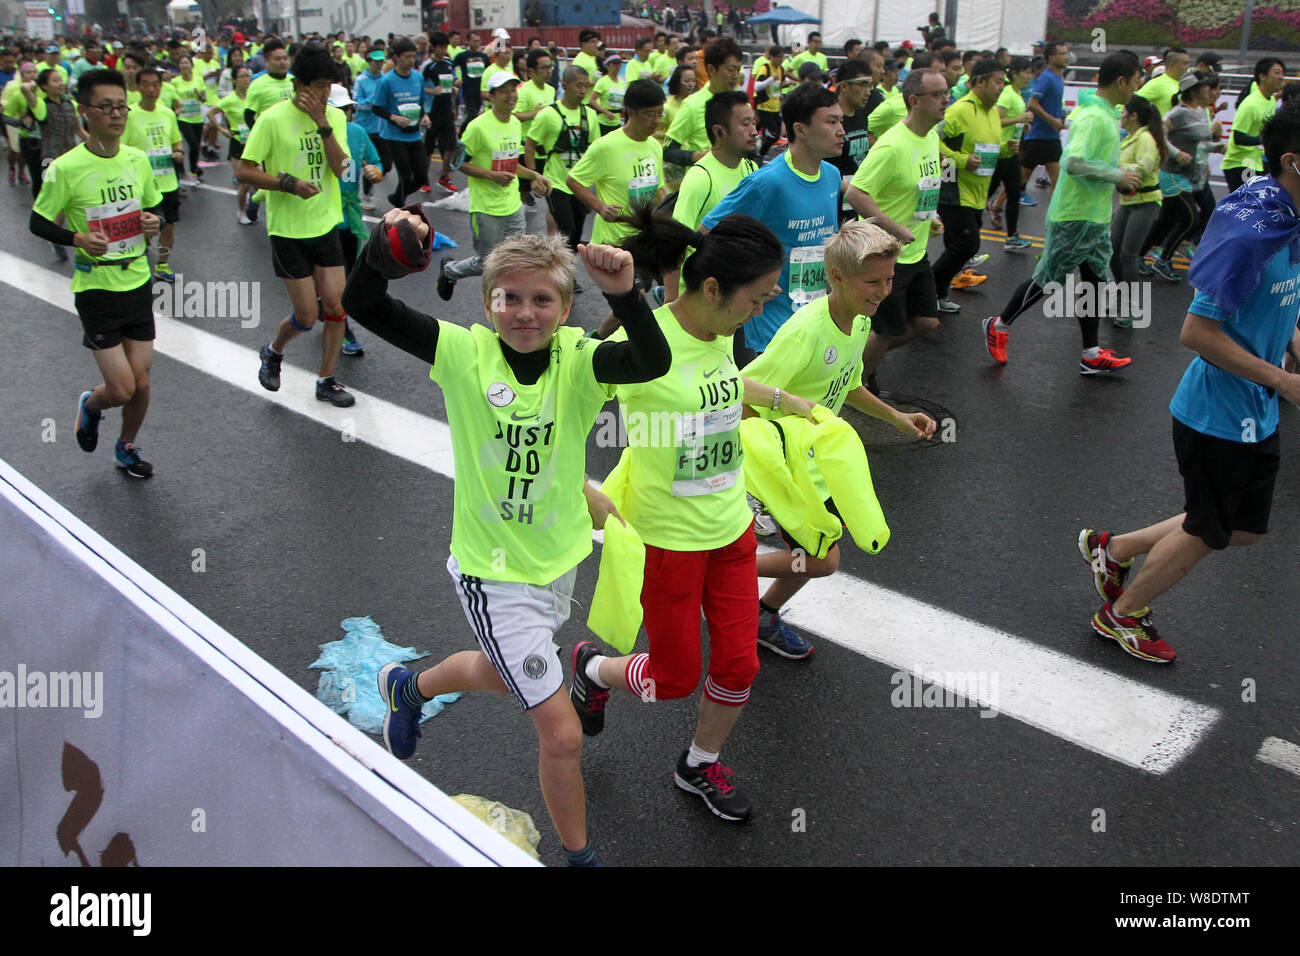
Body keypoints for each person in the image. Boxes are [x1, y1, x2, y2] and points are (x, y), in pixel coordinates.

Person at [346, 213, 670, 867]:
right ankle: (579, 858)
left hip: (558, 562)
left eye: (542, 298)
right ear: (487, 301)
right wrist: (376, 252)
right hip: (492, 576)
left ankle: (407, 689)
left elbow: (651, 358)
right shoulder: (464, 354)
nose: (525, 312)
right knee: (561, 732)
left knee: (505, 672)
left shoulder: (580, 361)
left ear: (566, 304)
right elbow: (362, 303)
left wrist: (627, 294)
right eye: (509, 298)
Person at [569, 209, 799, 823]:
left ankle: (698, 763)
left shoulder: (723, 329)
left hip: (731, 532)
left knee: (740, 663)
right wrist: (580, 486)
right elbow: (555, 414)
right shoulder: (640, 347)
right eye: (758, 298)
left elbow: (723, 386)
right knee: (672, 678)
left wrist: (784, 400)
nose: (763, 310)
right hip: (665, 544)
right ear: (714, 289)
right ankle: (593, 668)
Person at [1081, 101, 1300, 663]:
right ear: (1294, 162)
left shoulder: (1290, 218)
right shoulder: (1250, 232)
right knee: (1208, 527)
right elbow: (1197, 332)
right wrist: (1283, 379)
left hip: (1258, 407)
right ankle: (1122, 615)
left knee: (1244, 528)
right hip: (1217, 413)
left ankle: (1117, 548)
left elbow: (1282, 305)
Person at [742, 221, 937, 656]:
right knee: (822, 559)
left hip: (815, 458)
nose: (884, 290)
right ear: (837, 277)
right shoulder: (807, 332)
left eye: (889, 279)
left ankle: (762, 614)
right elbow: (742, 391)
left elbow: (848, 385)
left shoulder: (860, 321)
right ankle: (727, 571)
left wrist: (898, 418)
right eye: (873, 281)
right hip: (783, 461)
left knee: (818, 552)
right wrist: (753, 467)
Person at [34, 67, 163, 479]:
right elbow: (37, 222)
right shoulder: (65, 168)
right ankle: (91, 404)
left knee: (141, 386)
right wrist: (76, 238)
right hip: (97, 290)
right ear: (84, 111)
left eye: (120, 106)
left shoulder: (137, 160)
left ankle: (125, 447)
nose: (116, 114)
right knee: (121, 389)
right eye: (104, 107)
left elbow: (154, 207)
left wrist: (151, 221)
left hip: (137, 281)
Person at [983, 52, 1143, 374]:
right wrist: (1117, 176)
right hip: (1075, 216)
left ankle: (1091, 352)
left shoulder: (1105, 114)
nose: (1139, 87)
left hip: (1094, 216)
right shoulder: (1093, 117)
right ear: (1122, 80)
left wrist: (1119, 174)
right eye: (1138, 79)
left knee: (1095, 281)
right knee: (1048, 280)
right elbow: (1074, 162)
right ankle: (998, 325)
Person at [239, 42, 357, 408]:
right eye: (316, 86)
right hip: (288, 231)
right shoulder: (272, 118)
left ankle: (327, 380)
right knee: (307, 316)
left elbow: (345, 171)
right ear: (298, 84)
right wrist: (287, 184)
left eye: (328, 86)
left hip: (325, 225)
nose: (323, 93)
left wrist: (324, 125)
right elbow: (244, 171)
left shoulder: (335, 117)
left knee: (337, 307)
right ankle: (274, 350)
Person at [697, 83, 845, 365]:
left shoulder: (832, 175)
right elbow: (706, 234)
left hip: (815, 313)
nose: (841, 131)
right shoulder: (767, 182)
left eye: (841, 121)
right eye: (831, 122)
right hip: (769, 325)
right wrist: (749, 279)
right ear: (799, 129)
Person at [847, 68, 944, 388]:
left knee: (927, 322)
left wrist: (933, 216)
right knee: (886, 329)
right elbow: (856, 193)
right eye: (938, 95)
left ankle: (860, 363)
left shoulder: (931, 136)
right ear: (914, 100)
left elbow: (924, 186)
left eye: (947, 93)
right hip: (886, 254)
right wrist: (894, 228)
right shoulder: (892, 145)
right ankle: (856, 386)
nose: (947, 100)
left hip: (916, 252)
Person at [436, 71, 551, 300]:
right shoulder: (477, 127)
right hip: (486, 208)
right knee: (488, 263)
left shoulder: (516, 123)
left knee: (513, 258)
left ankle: (504, 309)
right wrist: (491, 175)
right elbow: (457, 162)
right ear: (491, 96)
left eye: (513, 90)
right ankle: (450, 272)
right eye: (504, 91)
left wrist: (534, 175)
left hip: (512, 204)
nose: (510, 96)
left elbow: (510, 164)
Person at [663, 90, 757, 301]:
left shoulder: (751, 168)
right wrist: (670, 302)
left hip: (733, 288)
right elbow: (673, 242)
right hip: (697, 295)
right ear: (719, 132)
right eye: (745, 124)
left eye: (753, 122)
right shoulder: (700, 177)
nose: (754, 131)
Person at [932, 59, 1006, 313]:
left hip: (977, 192)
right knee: (968, 245)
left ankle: (938, 294)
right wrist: (961, 160)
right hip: (955, 188)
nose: (1001, 88)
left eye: (1004, 83)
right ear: (979, 81)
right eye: (997, 82)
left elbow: (987, 148)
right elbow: (931, 139)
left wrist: (1007, 149)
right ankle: (927, 288)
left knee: (958, 245)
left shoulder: (993, 112)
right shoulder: (960, 110)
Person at [1141, 72, 1222, 283]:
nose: (1211, 91)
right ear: (1194, 91)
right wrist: (1176, 153)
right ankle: (1163, 260)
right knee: (1190, 218)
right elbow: (1158, 133)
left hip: (1192, 176)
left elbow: (1199, 144)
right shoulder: (1177, 113)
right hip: (1173, 174)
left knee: (1165, 221)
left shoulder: (1202, 111)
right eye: (1207, 87)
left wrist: (1217, 145)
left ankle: (1137, 256)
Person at [526, 65, 601, 261]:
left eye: (586, 86)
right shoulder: (548, 114)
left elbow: (595, 150)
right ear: (564, 84)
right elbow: (530, 143)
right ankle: (562, 274)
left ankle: (552, 261)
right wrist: (535, 176)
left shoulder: (591, 116)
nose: (583, 91)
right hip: (556, 184)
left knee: (575, 235)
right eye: (578, 85)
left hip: (580, 185)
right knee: (566, 229)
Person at [122, 67, 183, 285]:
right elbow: (121, 148)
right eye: (146, 84)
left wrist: (178, 151)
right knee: (142, 226)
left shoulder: (167, 113)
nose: (151, 89)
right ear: (137, 87)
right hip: (140, 183)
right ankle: (138, 256)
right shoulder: (128, 114)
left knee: (169, 225)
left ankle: (163, 265)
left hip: (167, 180)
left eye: (155, 84)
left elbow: (176, 140)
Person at [1109, 95, 1165, 328]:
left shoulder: (1145, 138)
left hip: (1145, 201)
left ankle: (1130, 308)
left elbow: (1144, 166)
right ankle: (1122, 296)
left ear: (1133, 115)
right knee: (1113, 251)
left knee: (1129, 255)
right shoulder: (1132, 137)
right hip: (1129, 201)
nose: (1121, 115)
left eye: (1123, 112)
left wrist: (1117, 170)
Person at [664, 37, 743, 171]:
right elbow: (668, 151)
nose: (736, 75)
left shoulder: (741, 104)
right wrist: (698, 156)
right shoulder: (692, 105)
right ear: (711, 69)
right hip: (706, 183)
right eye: (730, 70)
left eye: (738, 69)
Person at [986, 56, 1034, 250]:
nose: (1029, 76)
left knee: (1014, 193)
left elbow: (1013, 120)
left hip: (1011, 152)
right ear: (1014, 73)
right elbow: (994, 119)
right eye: (1026, 72)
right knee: (985, 195)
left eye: (1031, 72)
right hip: (999, 152)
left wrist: (1022, 126)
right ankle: (967, 233)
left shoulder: (1017, 93)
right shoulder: (1007, 93)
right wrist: (1020, 119)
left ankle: (1012, 237)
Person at [1223, 58, 1286, 192]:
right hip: (1241, 163)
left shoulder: (1270, 101)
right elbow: (1238, 138)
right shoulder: (1251, 104)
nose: (1281, 77)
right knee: (1245, 205)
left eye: (1282, 73)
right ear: (1262, 76)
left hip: (1256, 161)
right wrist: (1266, 139)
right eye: (1276, 73)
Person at [1020, 41, 1068, 198]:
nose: (1066, 57)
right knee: (1021, 179)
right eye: (1062, 54)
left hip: (1051, 137)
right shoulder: (1046, 78)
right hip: (1038, 136)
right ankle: (996, 205)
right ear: (1052, 57)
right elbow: (1032, 104)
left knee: (1057, 179)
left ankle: (1052, 219)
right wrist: (1052, 120)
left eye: (1067, 53)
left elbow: (1052, 104)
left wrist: (1061, 115)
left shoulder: (1059, 78)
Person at [830, 59, 873, 221]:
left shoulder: (862, 116)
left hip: (855, 203)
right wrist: (847, 189)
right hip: (832, 205)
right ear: (845, 86)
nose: (868, 91)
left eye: (869, 85)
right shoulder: (829, 120)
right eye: (862, 85)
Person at [209, 64, 253, 223]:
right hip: (237, 143)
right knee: (245, 182)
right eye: (242, 76)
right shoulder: (229, 99)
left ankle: (251, 205)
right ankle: (241, 212)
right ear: (234, 80)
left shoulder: (253, 96)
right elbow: (210, 113)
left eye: (248, 76)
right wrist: (222, 130)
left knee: (260, 179)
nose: (246, 79)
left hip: (254, 143)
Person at [352, 48, 392, 209]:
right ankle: (366, 197)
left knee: (386, 165)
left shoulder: (385, 79)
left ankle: (369, 185)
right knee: (369, 165)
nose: (379, 64)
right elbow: (356, 104)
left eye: (381, 61)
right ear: (369, 62)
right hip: (366, 130)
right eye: (376, 61)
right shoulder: (361, 80)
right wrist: (372, 99)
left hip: (383, 129)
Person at [421, 31, 460, 194]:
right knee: (428, 148)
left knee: (451, 145)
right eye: (440, 47)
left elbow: (453, 79)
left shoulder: (449, 63)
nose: (443, 50)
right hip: (431, 112)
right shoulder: (427, 66)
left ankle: (444, 177)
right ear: (433, 47)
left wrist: (454, 89)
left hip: (446, 110)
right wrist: (432, 91)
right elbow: (419, 88)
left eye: (445, 47)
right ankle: (424, 179)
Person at [171, 54, 208, 187]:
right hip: (183, 117)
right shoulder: (175, 82)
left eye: (187, 63)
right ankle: (181, 167)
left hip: (197, 117)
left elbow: (204, 99)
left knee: (196, 147)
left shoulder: (198, 79)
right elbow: (173, 100)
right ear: (179, 66)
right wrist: (175, 110)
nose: (184, 65)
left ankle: (193, 171)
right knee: (192, 143)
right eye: (182, 63)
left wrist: (199, 95)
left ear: (191, 65)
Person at [751, 44, 791, 160]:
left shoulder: (781, 70)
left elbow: (781, 83)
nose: (781, 60)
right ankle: (759, 153)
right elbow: (757, 86)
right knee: (773, 134)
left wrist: (790, 82)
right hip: (764, 107)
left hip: (776, 107)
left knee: (776, 134)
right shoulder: (765, 69)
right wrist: (770, 79)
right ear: (772, 57)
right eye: (778, 57)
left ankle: (759, 151)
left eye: (782, 57)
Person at [452, 32, 491, 132]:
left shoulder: (484, 57)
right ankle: (462, 130)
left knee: (477, 114)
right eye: (474, 41)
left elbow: (489, 71)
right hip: (468, 90)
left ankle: (470, 132)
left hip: (481, 90)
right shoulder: (462, 56)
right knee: (472, 114)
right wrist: (456, 79)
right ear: (468, 42)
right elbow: (451, 67)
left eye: (478, 41)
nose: (477, 43)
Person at [1136, 46, 1188, 115]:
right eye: (1184, 64)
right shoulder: (1157, 84)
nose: (1187, 67)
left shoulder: (1186, 83)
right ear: (1172, 66)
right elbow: (1130, 103)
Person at [590, 54, 626, 138]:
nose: (618, 67)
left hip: (616, 121)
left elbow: (623, 101)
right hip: (603, 121)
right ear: (608, 65)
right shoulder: (602, 81)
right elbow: (592, 100)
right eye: (615, 64)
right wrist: (606, 112)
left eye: (619, 64)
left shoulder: (621, 82)